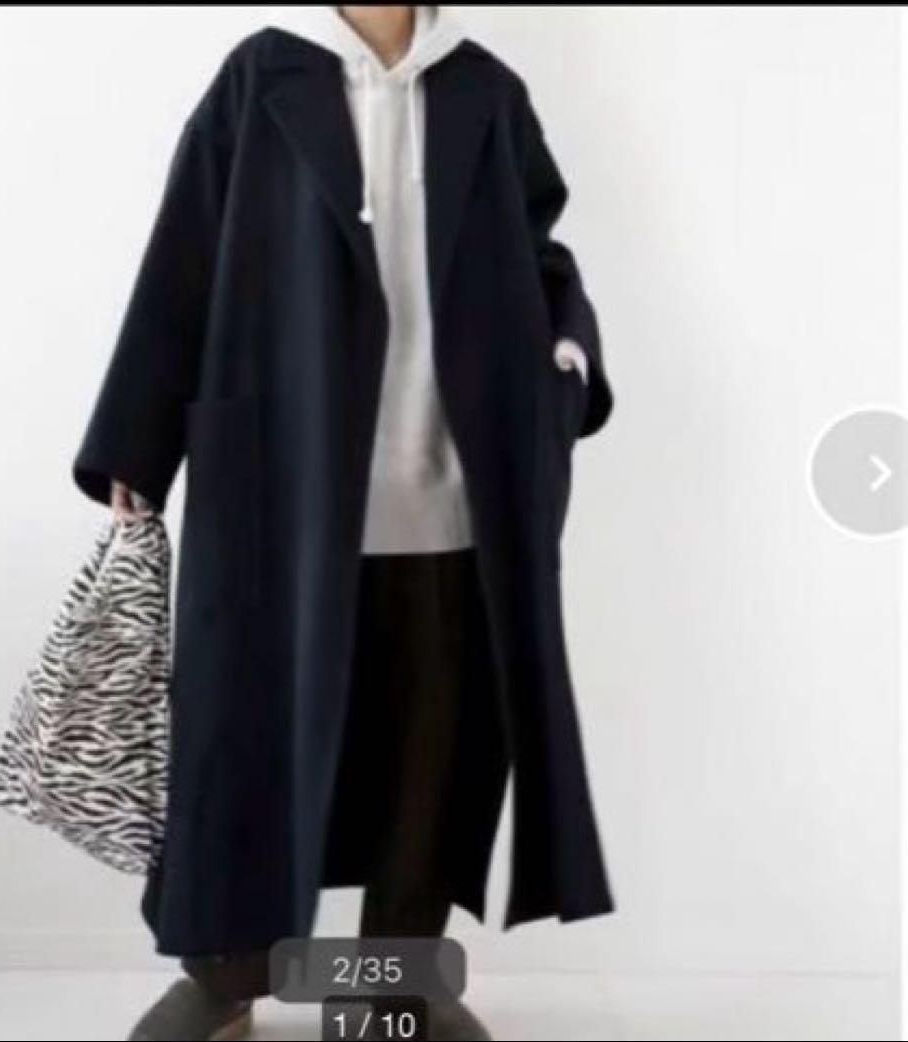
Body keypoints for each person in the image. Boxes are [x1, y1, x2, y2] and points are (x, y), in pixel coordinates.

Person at [75, 7, 615, 1040]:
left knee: (429, 759)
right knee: (242, 745)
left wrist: (568, 356)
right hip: (278, 497)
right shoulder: (260, 78)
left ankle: (388, 987)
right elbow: (185, 256)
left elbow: (542, 251)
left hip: (449, 498)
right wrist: (135, 445)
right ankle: (223, 981)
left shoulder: (485, 91)